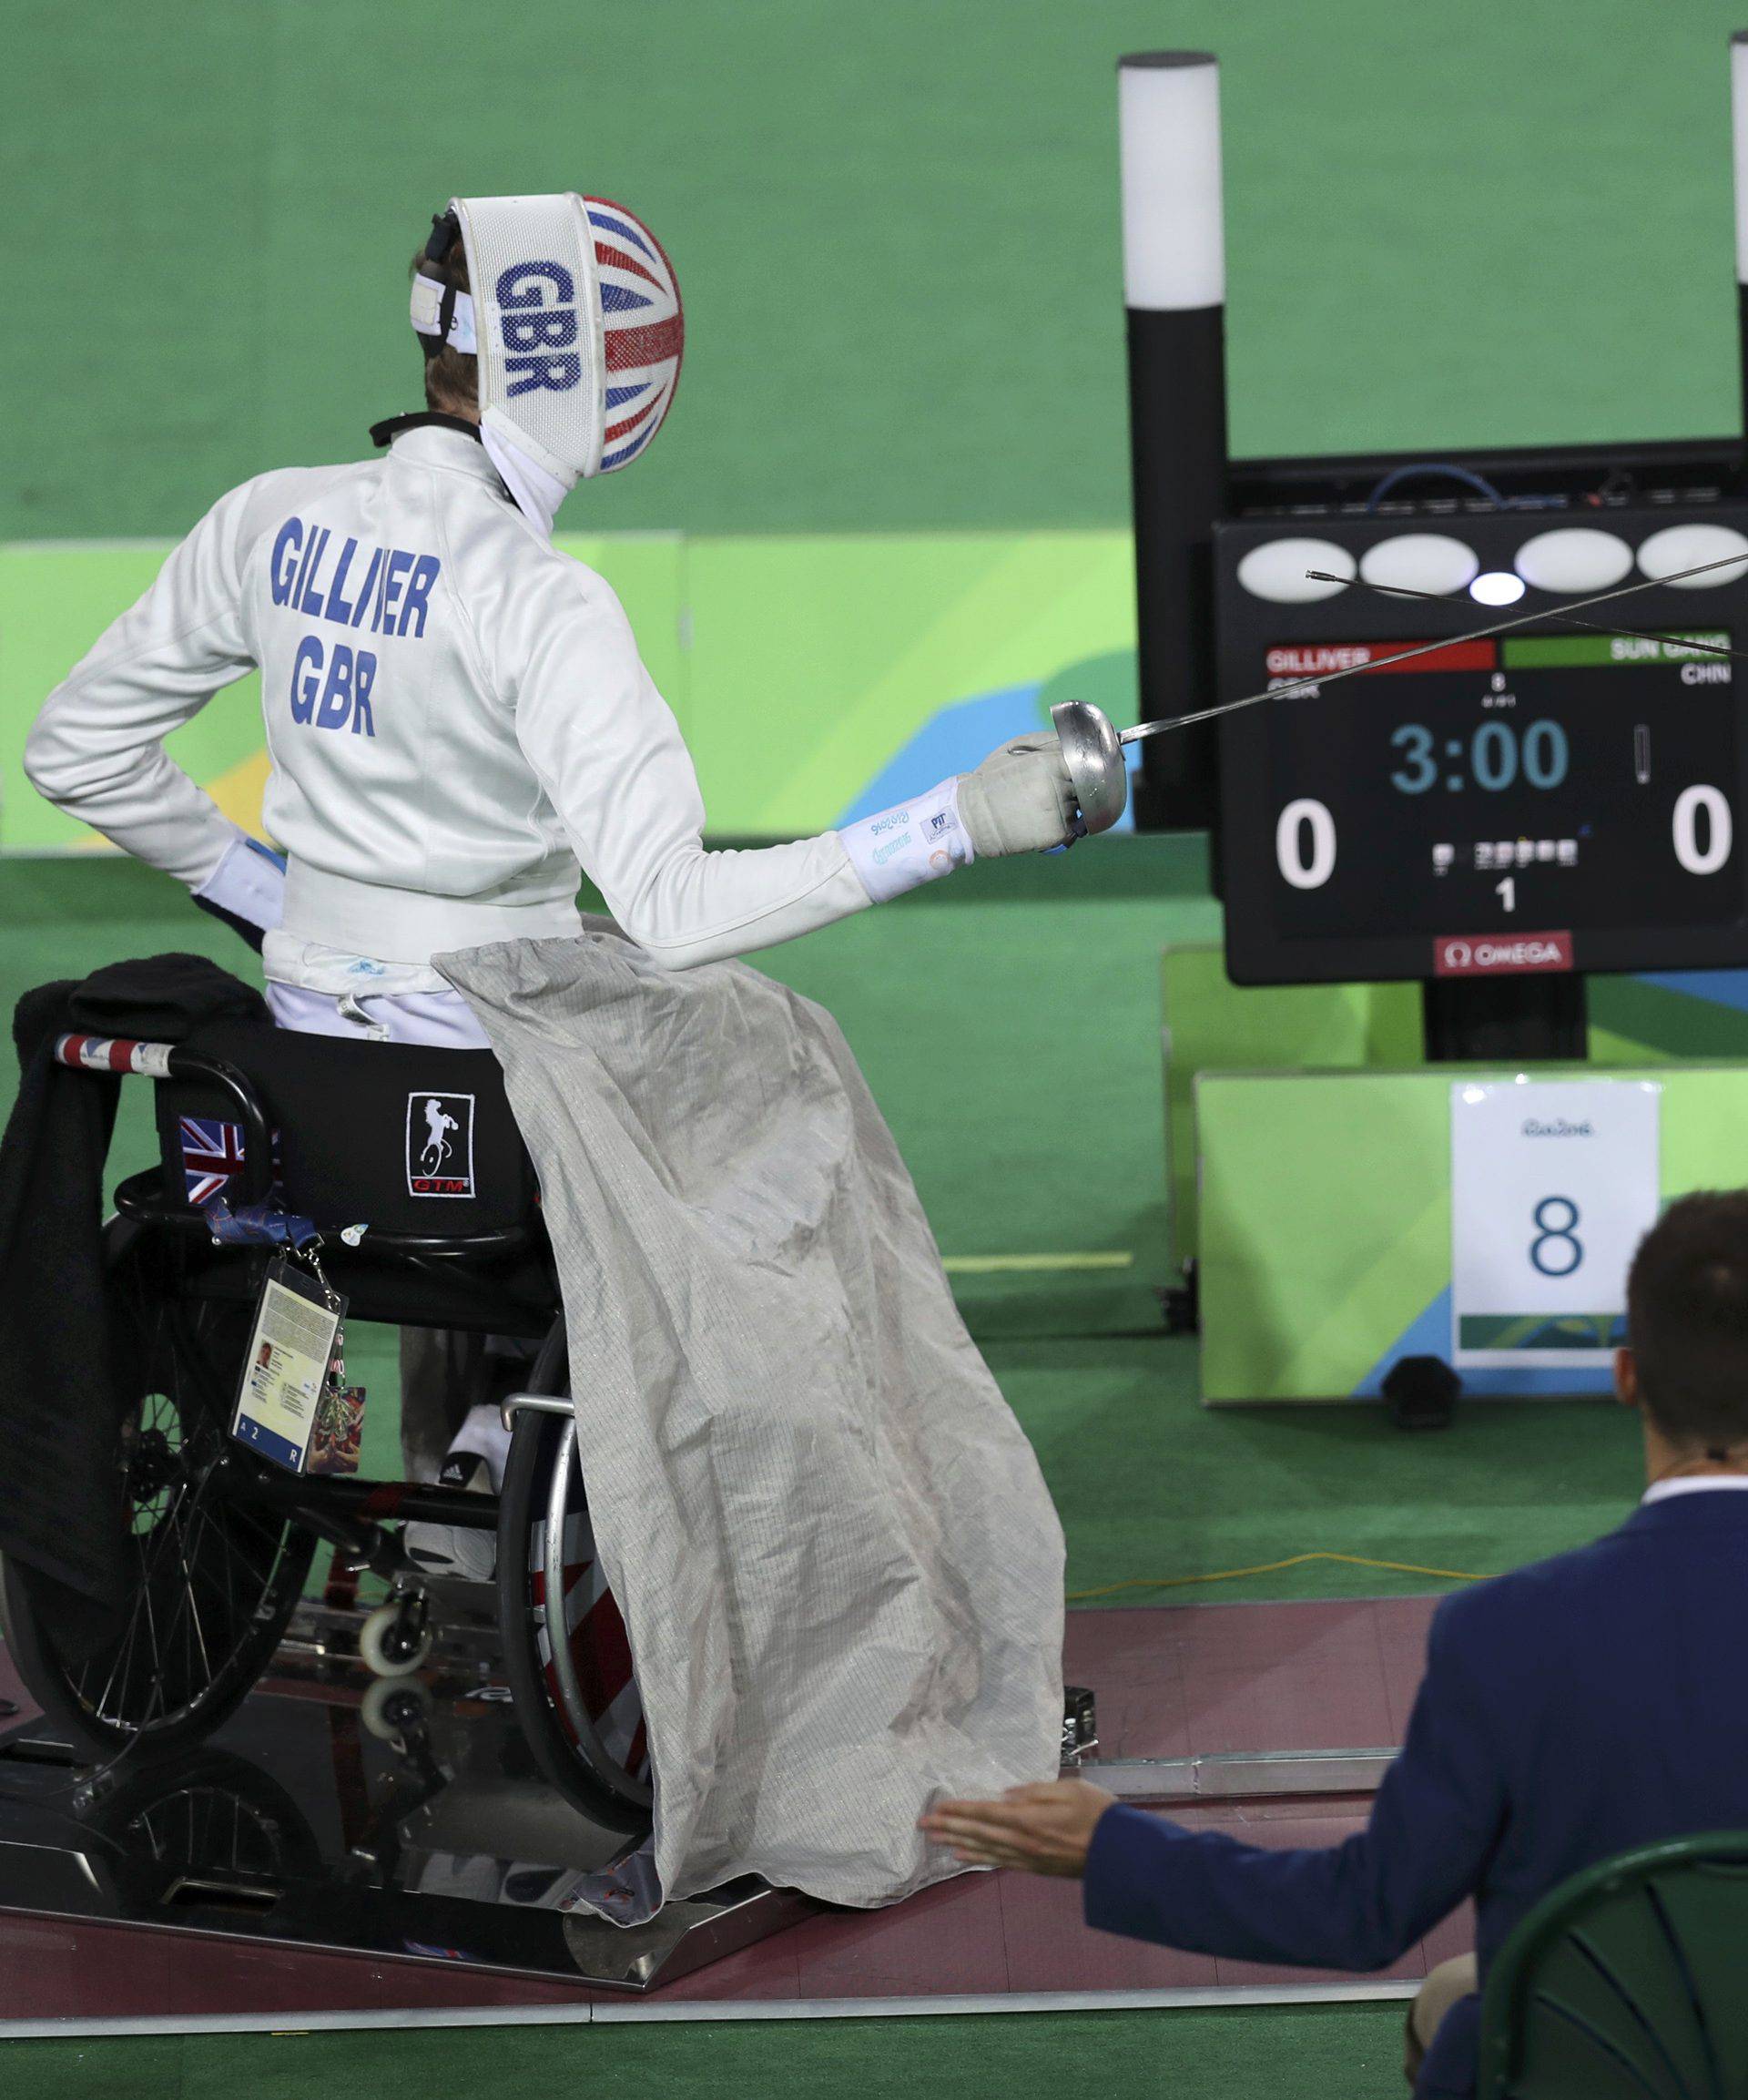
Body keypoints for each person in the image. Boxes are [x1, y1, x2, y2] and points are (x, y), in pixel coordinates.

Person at [23, 191, 1085, 1548]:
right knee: (783, 1084)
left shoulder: (268, 521)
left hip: (301, 1039)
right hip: (480, 1058)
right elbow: (675, 909)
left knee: (548, 1065)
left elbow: (78, 750)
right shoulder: (540, 598)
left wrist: (268, 894)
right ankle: (730, 1520)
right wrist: (955, 823)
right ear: (582, 380)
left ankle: (464, 1454)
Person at [922, 1188, 1748, 2099]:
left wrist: (1112, 1844)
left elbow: (1361, 1912)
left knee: (1460, 2001)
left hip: (1594, 2067)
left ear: (1626, 1375)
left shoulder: (1507, 1632)